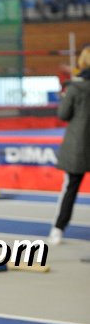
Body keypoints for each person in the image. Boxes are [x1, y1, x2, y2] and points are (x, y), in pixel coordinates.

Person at [49, 46, 90, 245]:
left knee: (70, 188)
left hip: (79, 144)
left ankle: (58, 229)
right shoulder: (75, 86)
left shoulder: (75, 88)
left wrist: (65, 97)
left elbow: (63, 114)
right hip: (80, 144)